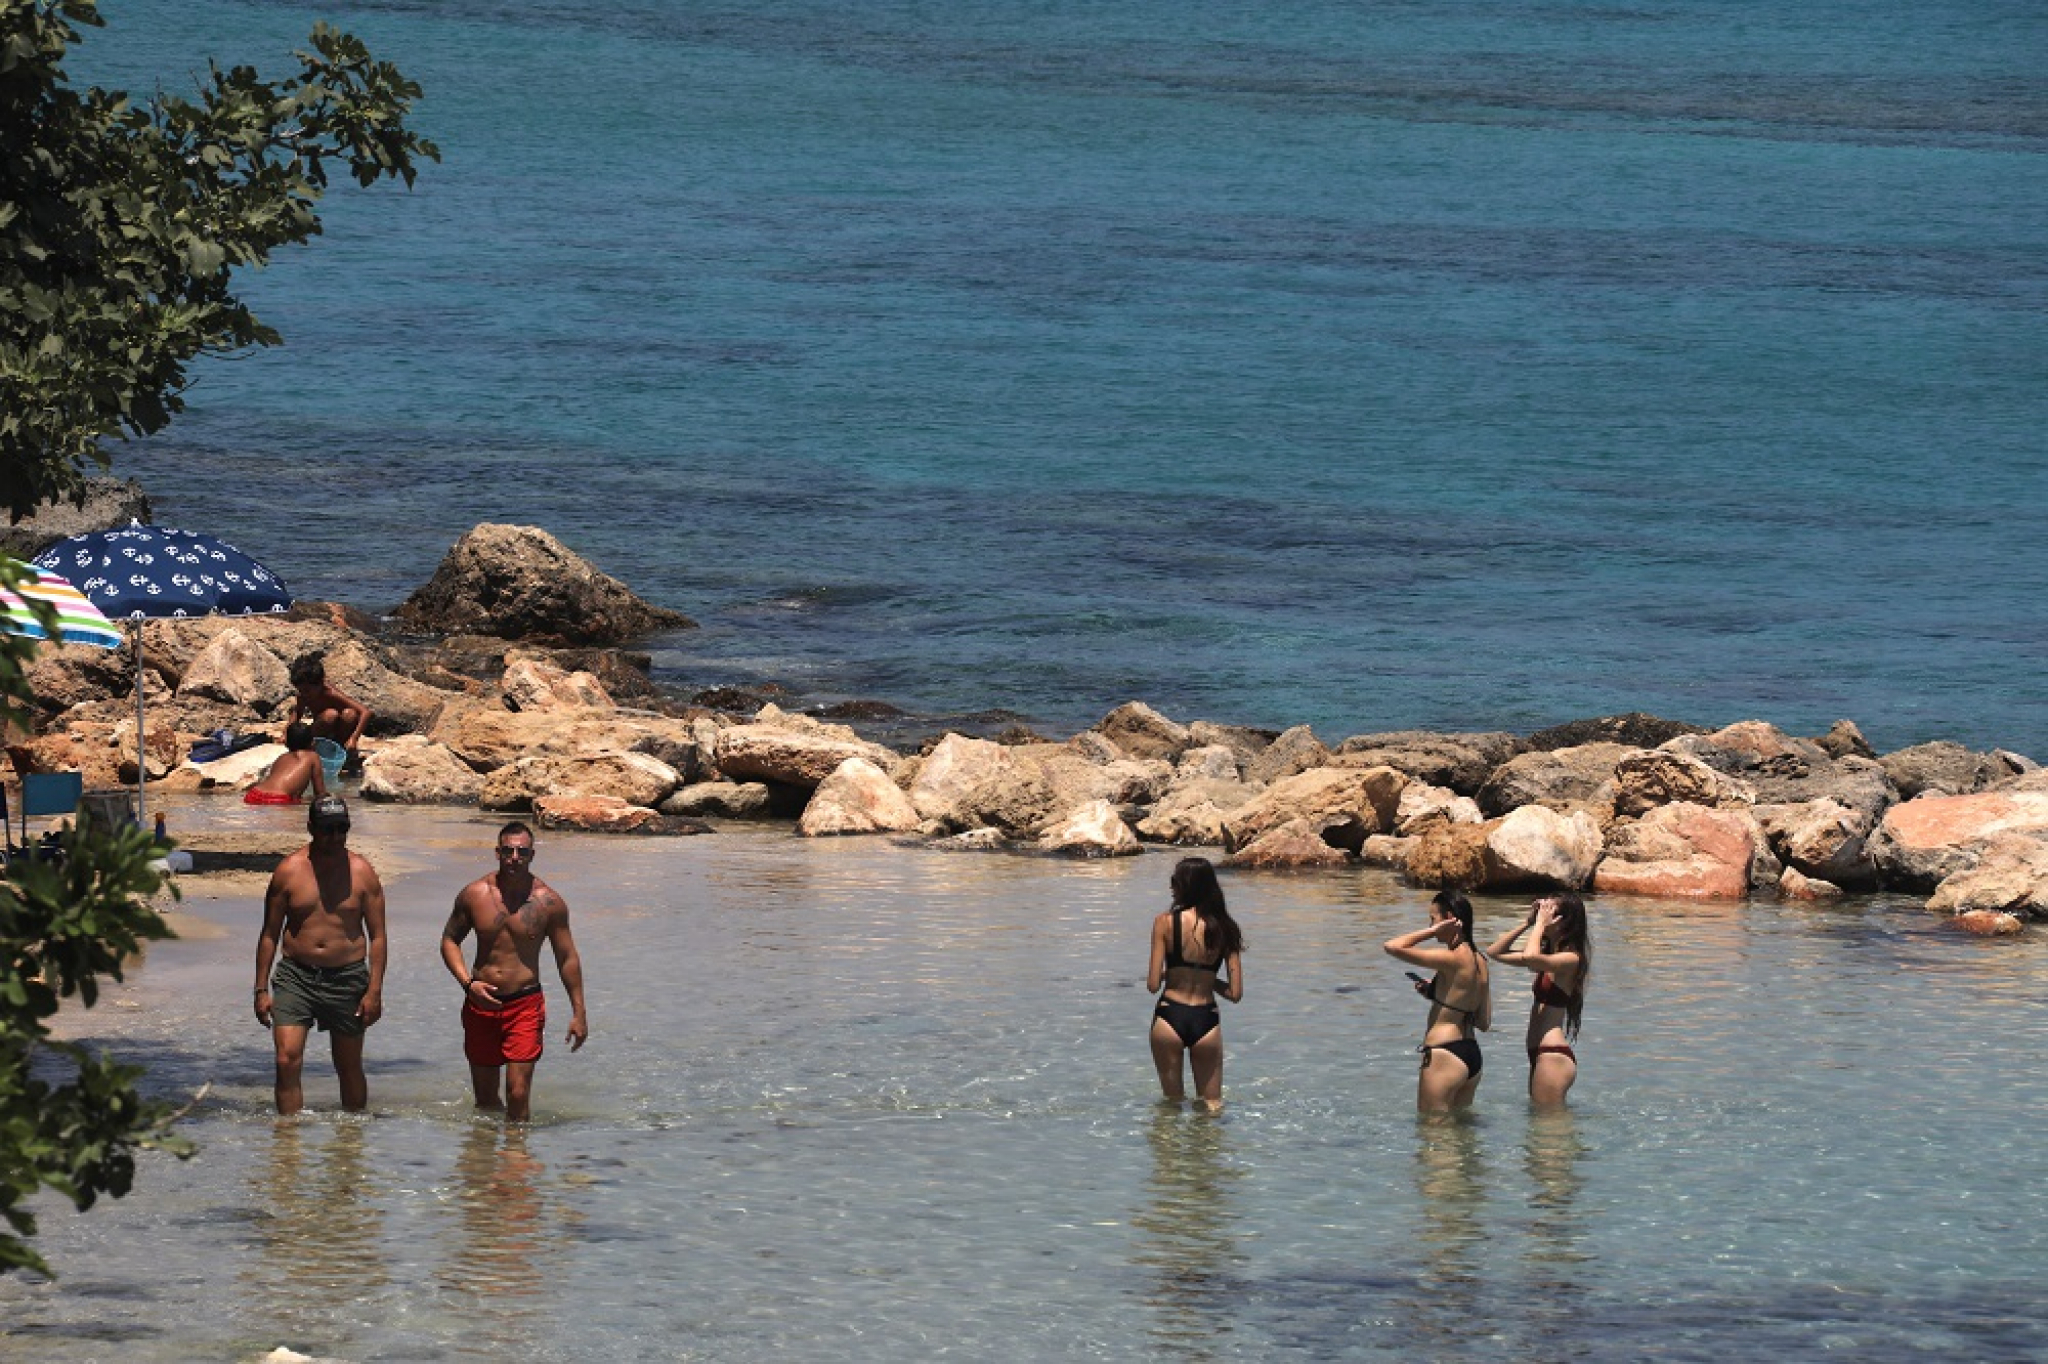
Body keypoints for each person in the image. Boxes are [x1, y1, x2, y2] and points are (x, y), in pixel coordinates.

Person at [441, 821, 589, 1122]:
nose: (514, 858)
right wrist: (468, 984)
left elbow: (567, 957)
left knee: (518, 1093)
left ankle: (515, 1158)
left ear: (532, 855)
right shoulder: (474, 894)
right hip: (480, 1002)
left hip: (524, 1003)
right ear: (497, 853)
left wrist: (579, 1012)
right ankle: (484, 1159)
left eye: (522, 852)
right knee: (485, 1100)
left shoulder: (549, 902)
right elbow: (449, 941)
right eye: (508, 851)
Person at [253, 796, 387, 1114]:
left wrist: (375, 991)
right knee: (286, 1059)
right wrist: (260, 989)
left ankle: (350, 1148)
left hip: (347, 976)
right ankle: (288, 1146)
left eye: (342, 829)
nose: (335, 836)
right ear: (311, 827)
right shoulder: (289, 871)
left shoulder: (363, 873)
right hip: (296, 976)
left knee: (348, 1065)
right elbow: (270, 933)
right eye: (328, 829)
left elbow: (378, 936)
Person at [1146, 856, 1244, 1110]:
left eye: (1174, 881)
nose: (1171, 887)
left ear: (1186, 886)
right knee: (1212, 1106)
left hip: (1170, 1015)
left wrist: (1176, 972)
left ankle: (1171, 1150)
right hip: (1206, 1020)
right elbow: (1235, 993)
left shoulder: (1165, 922)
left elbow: (1153, 984)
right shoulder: (1226, 927)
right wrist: (1207, 979)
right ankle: (1209, 1150)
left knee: (1172, 1106)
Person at [1384, 890, 1491, 1114]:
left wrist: (1431, 932)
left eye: (1433, 919)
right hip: (1471, 1054)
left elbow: (1393, 946)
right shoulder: (1480, 961)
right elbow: (1483, 1022)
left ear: (1449, 918)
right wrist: (1436, 994)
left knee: (1433, 1135)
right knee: (1462, 1135)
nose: (1431, 925)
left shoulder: (1452, 958)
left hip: (1444, 1054)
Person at [1486, 892, 1591, 1108]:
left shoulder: (1571, 959)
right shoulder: (1549, 957)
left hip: (1553, 1054)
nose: (1543, 913)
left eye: (1549, 910)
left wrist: (1540, 925)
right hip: (1539, 1053)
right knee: (1541, 1134)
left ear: (1564, 921)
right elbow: (1494, 952)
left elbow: (1531, 960)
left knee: (1549, 1132)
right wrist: (1528, 922)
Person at [288, 652, 370, 767]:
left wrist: (354, 739)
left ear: (320, 684)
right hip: (319, 734)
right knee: (330, 715)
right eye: (301, 690)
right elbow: (297, 712)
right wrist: (288, 734)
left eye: (307, 690)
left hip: (338, 734)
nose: (304, 694)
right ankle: (315, 750)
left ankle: (340, 751)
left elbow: (366, 712)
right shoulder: (303, 695)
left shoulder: (330, 693)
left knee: (350, 714)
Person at [243, 721, 329, 805]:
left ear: (287, 743)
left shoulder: (281, 758)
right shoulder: (313, 756)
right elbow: (320, 793)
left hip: (254, 794)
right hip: (278, 799)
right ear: (312, 742)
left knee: (302, 800)